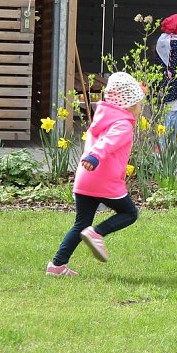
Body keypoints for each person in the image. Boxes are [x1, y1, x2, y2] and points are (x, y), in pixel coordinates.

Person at [46, 72, 145, 276]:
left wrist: (91, 158)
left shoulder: (101, 118)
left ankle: (57, 266)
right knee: (129, 213)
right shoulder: (123, 124)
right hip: (104, 180)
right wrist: (95, 156)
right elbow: (107, 143)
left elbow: (100, 140)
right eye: (139, 105)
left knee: (81, 224)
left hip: (85, 179)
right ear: (129, 105)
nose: (140, 109)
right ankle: (97, 233)